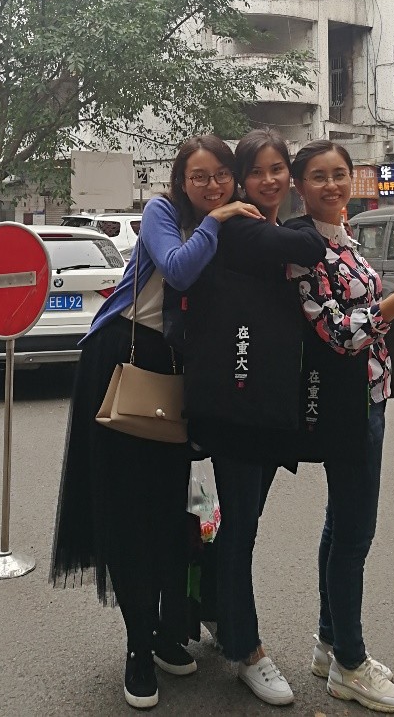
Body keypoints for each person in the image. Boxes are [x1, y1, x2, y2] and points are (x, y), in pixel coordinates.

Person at [50, 135, 263, 710]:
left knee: (173, 511)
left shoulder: (237, 223)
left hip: (179, 373)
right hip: (123, 362)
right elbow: (178, 269)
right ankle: (137, 650)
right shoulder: (163, 214)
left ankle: (169, 632)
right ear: (180, 181)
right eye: (200, 177)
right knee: (129, 513)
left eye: (222, 175)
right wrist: (216, 220)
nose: (212, 186)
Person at [286, 141, 394, 714]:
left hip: (369, 397)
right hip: (346, 406)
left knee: (340, 524)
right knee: (354, 535)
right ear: (300, 186)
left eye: (339, 174)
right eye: (318, 176)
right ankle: (350, 664)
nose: (332, 185)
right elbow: (335, 332)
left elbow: (361, 317)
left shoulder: (344, 239)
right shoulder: (304, 248)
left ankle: (330, 645)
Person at [182, 129, 326, 706]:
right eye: (258, 171)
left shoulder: (263, 227)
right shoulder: (241, 227)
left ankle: (214, 611)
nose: (270, 180)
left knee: (241, 523)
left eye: (278, 169)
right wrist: (310, 223)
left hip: (264, 406)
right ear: (241, 180)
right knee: (242, 526)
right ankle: (246, 650)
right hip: (238, 408)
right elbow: (310, 247)